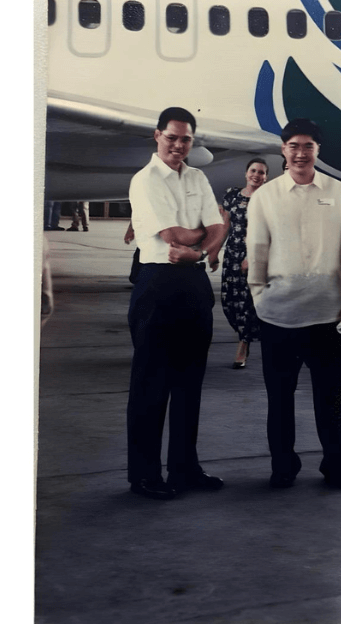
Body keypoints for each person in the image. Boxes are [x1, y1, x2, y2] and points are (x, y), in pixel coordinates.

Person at [247, 118, 341, 490]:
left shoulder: (339, 193)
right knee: (279, 401)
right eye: (293, 146)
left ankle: (335, 465)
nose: (300, 153)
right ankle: (283, 466)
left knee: (332, 401)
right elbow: (257, 250)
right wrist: (260, 296)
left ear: (318, 150)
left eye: (307, 146)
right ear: (283, 150)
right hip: (279, 317)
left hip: (328, 317)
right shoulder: (266, 196)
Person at [125, 107, 228, 500]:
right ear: (157, 136)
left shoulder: (198, 176)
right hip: (157, 286)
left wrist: (200, 248)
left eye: (186, 139)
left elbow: (217, 229)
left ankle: (185, 469)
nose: (179, 146)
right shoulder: (145, 180)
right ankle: (145, 475)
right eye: (172, 138)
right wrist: (208, 233)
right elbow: (174, 236)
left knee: (189, 386)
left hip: (194, 283)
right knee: (151, 387)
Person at [219, 158, 269, 368]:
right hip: (232, 254)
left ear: (266, 177)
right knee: (230, 300)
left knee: (251, 302)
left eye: (261, 173)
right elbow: (224, 227)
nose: (256, 175)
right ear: (246, 173)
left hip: (255, 255)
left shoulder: (268, 199)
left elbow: (267, 231)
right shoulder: (232, 195)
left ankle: (244, 344)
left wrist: (252, 257)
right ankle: (246, 336)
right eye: (253, 171)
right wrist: (211, 253)